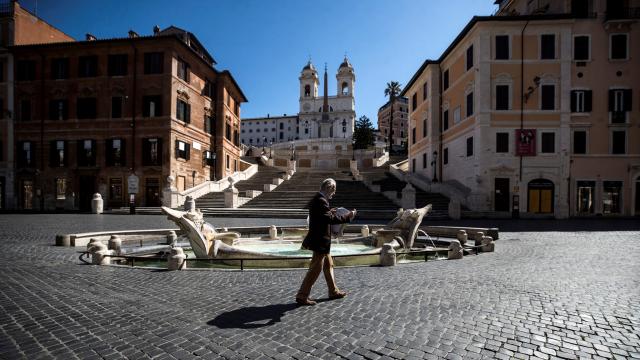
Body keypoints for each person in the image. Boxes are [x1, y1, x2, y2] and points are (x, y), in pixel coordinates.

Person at [296, 178, 356, 306]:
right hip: (320, 241)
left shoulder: (319, 199)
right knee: (315, 269)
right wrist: (348, 216)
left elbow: (323, 216)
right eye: (333, 190)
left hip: (321, 240)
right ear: (330, 188)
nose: (334, 193)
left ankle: (333, 291)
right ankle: (302, 295)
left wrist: (330, 212)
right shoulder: (321, 200)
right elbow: (330, 219)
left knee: (329, 265)